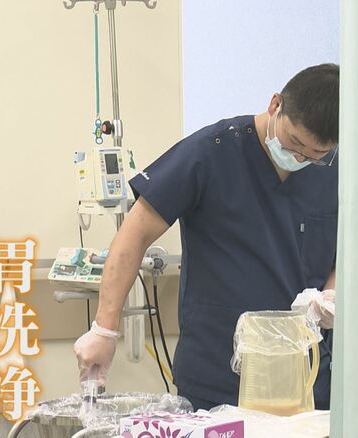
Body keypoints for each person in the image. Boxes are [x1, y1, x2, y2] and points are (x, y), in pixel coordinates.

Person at [73, 63, 339, 410]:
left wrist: (330, 296)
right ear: (276, 105)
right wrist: (104, 329)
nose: (299, 158)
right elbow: (134, 234)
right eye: (294, 142)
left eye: (314, 155)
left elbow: (345, 252)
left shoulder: (335, 170)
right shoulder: (211, 152)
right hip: (216, 375)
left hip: (302, 376)